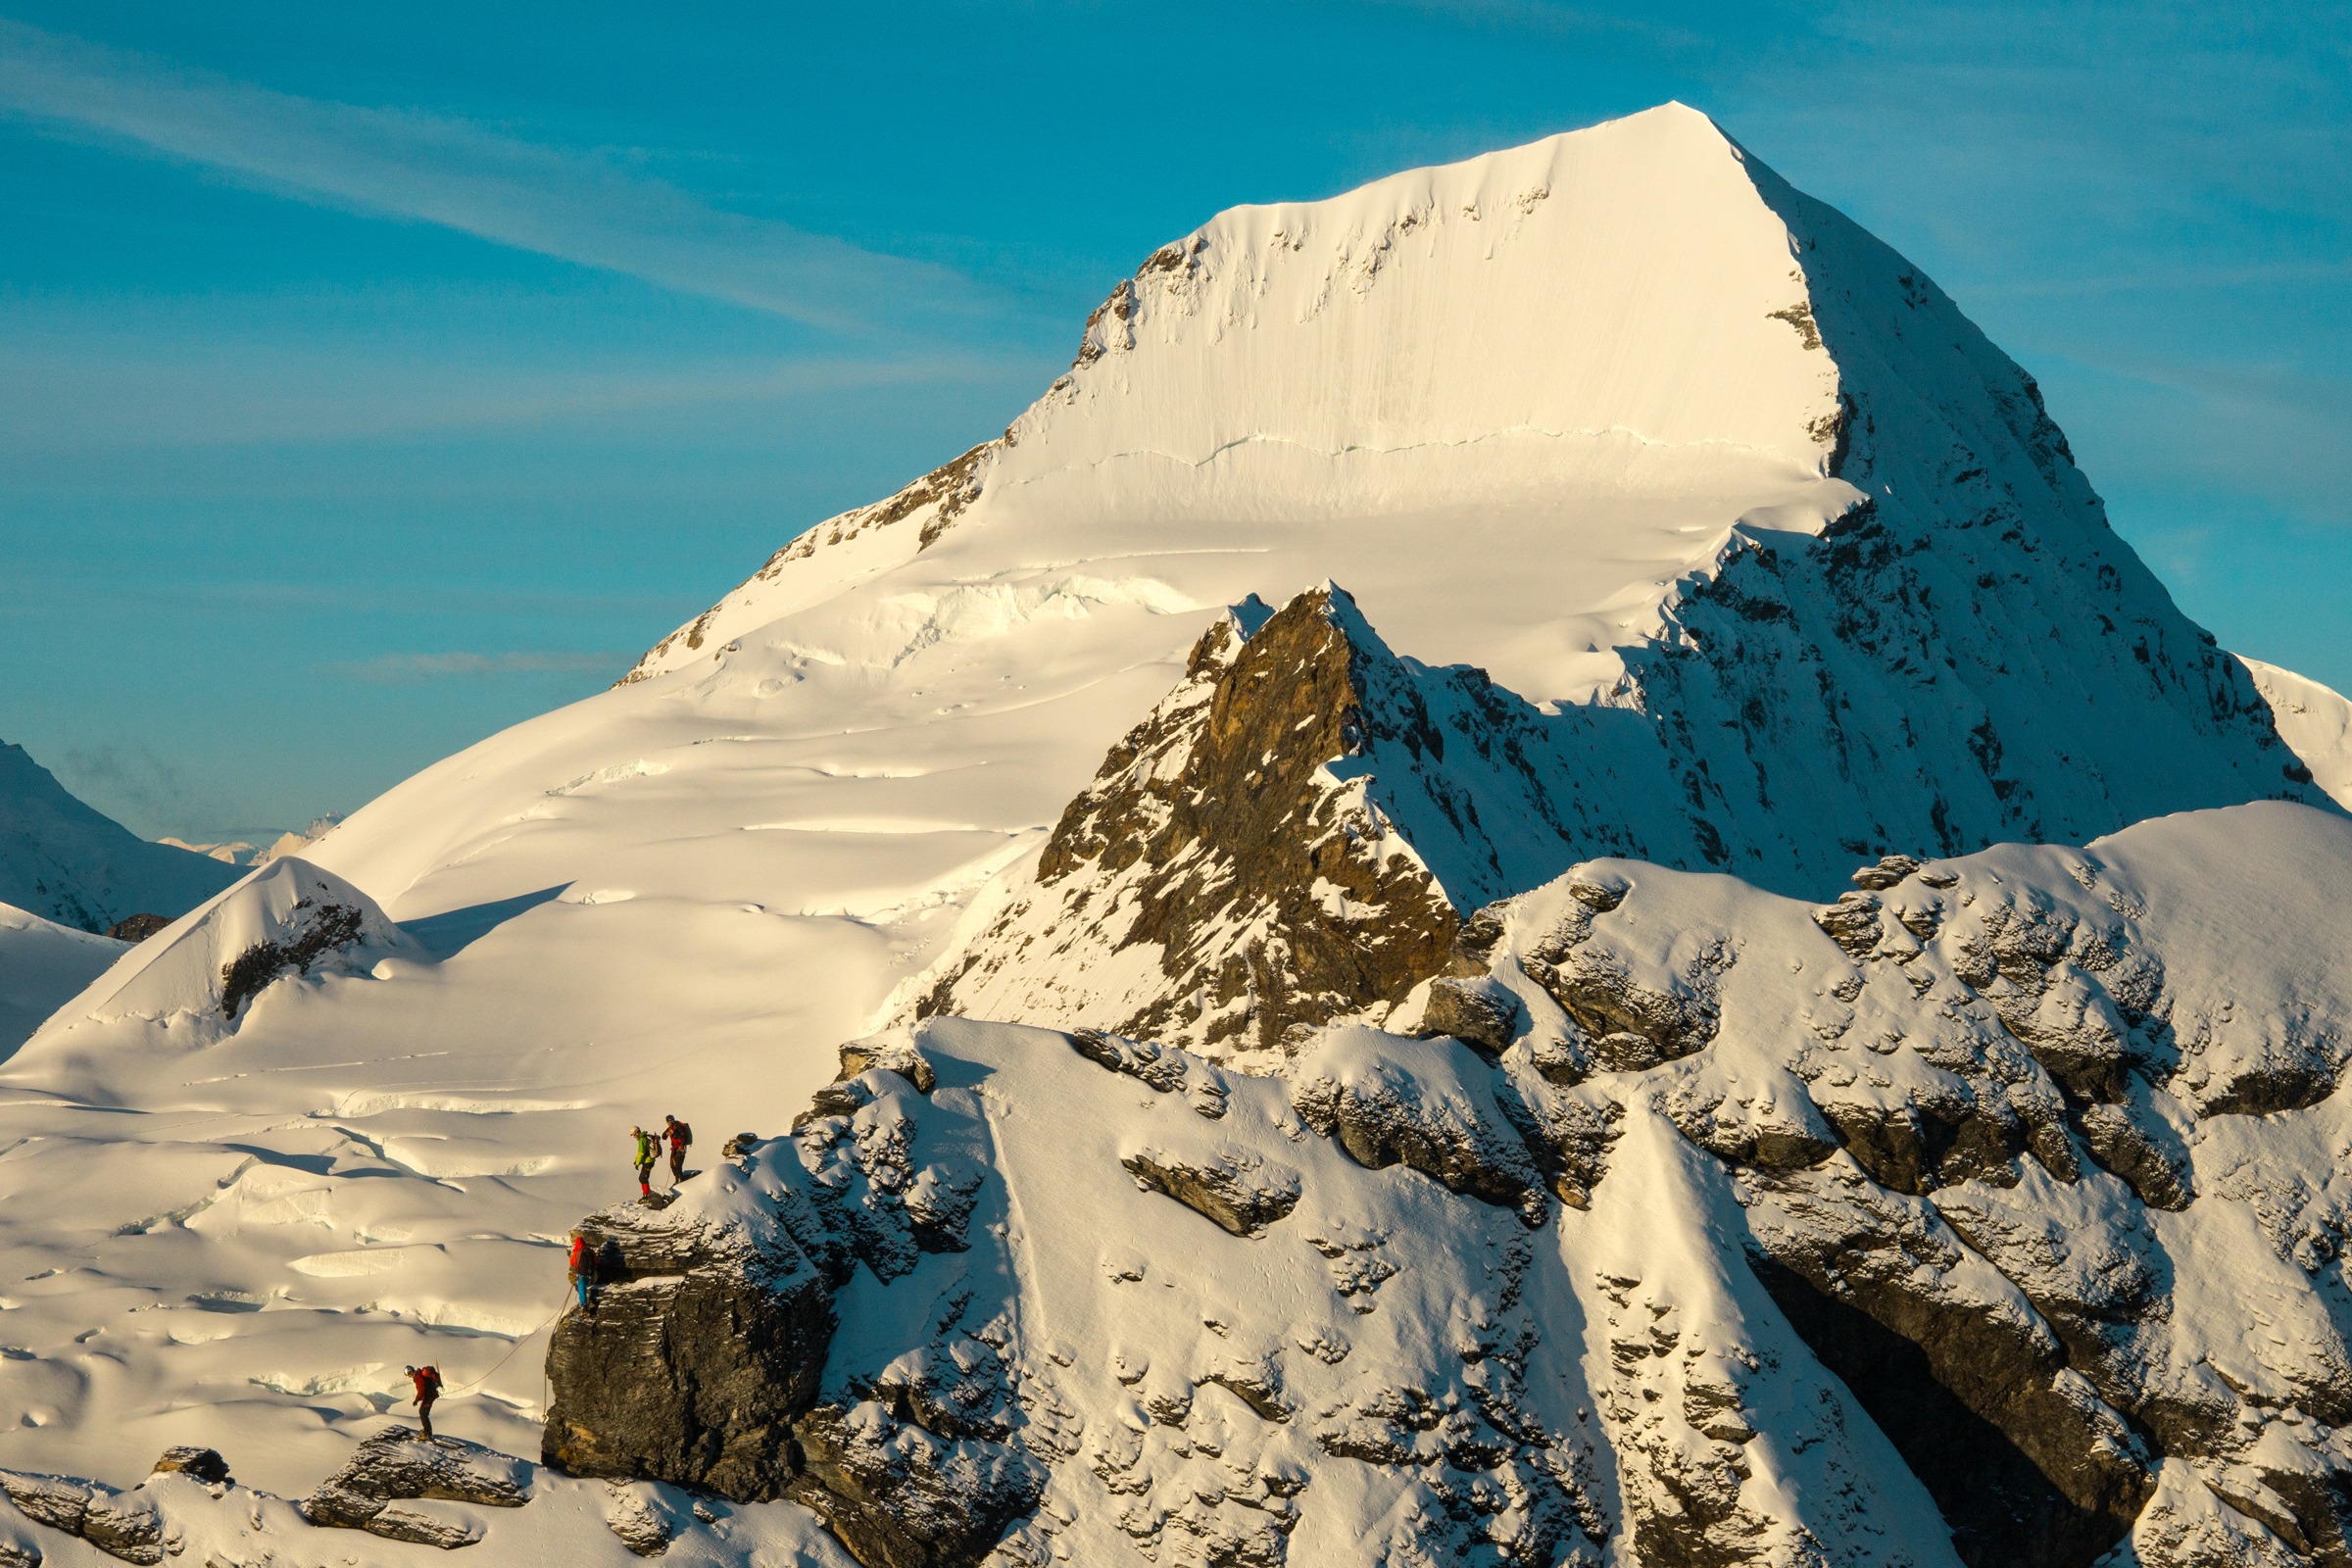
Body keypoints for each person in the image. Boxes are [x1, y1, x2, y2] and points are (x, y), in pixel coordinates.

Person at [406, 1363, 442, 1441]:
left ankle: (427, 1433)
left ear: (411, 1372)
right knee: (423, 1412)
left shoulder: (418, 1377)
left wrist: (416, 1400)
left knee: (423, 1413)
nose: (409, 1377)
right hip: (429, 1395)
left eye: (408, 1375)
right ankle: (427, 1430)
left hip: (429, 1396)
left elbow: (422, 1389)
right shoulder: (418, 1375)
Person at [566, 1231, 597, 1311]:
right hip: (591, 1274)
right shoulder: (590, 1251)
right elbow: (597, 1261)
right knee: (588, 1288)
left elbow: (572, 1263)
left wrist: (572, 1277)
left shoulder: (576, 1252)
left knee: (581, 1288)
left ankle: (584, 1305)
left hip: (581, 1275)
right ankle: (589, 1302)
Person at [662, 1114, 693, 1188]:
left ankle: (679, 1180)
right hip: (675, 1149)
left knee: (677, 1165)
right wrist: (667, 1134)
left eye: (670, 1121)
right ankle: (678, 1179)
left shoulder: (678, 1126)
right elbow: (663, 1137)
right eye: (669, 1122)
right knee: (673, 1165)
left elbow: (683, 1138)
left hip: (680, 1148)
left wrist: (674, 1134)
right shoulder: (670, 1128)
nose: (670, 1123)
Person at [630, 1125, 658, 1198]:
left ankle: (646, 1195)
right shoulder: (645, 1137)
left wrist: (637, 1163)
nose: (634, 1137)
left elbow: (641, 1153)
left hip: (648, 1161)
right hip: (649, 1161)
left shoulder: (642, 1139)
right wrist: (637, 1161)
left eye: (634, 1135)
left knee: (643, 1178)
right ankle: (646, 1194)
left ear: (636, 1133)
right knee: (643, 1178)